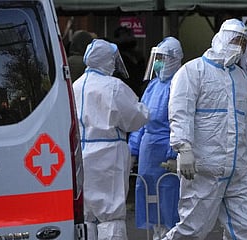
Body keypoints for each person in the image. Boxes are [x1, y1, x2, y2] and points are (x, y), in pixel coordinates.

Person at [162, 18, 247, 240]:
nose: (240, 48)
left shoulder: (239, 77)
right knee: (192, 230)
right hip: (204, 169)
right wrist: (184, 148)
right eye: (236, 41)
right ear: (222, 39)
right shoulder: (193, 71)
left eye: (244, 43)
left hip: (239, 170)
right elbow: (181, 112)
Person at [73, 39, 150, 240]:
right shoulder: (114, 86)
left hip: (81, 153)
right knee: (111, 214)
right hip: (109, 154)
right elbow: (137, 118)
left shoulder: (75, 86)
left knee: (86, 214)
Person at [128, 37, 183, 240]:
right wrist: (133, 150)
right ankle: (158, 234)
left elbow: (180, 123)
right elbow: (140, 119)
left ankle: (171, 234)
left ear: (174, 59)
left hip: (165, 149)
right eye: (156, 58)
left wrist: (174, 152)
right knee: (149, 195)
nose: (158, 62)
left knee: (169, 196)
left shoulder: (179, 84)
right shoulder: (152, 86)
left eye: (162, 58)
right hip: (147, 150)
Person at [113, 26, 147, 97]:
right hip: (123, 92)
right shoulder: (116, 57)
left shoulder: (137, 56)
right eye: (127, 35)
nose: (131, 38)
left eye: (131, 35)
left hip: (137, 91)